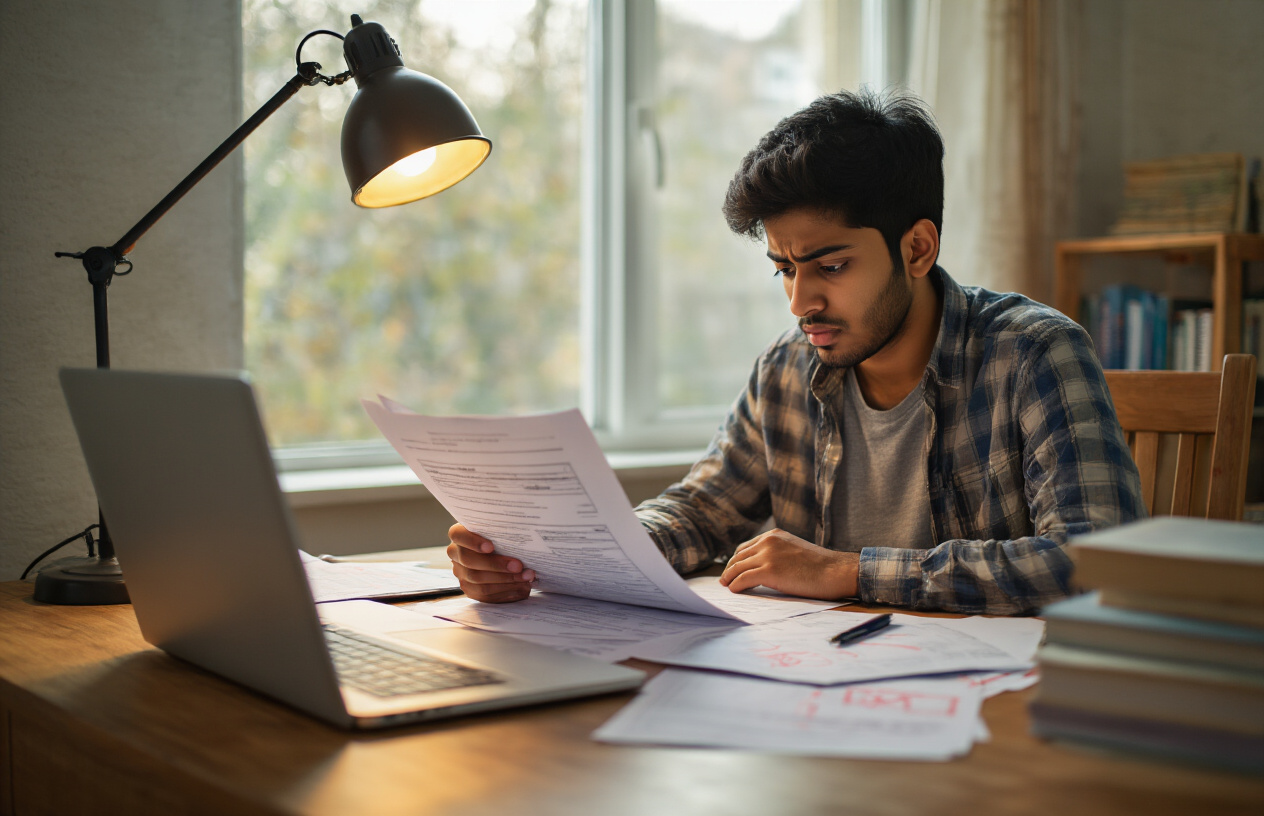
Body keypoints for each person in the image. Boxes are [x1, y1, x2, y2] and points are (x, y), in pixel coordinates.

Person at [447, 88, 1143, 615]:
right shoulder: (787, 369)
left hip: (1004, 723)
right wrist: (542, 557)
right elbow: (698, 512)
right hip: (817, 696)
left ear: (917, 248)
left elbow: (1097, 560)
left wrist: (848, 571)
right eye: (784, 267)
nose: (800, 301)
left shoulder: (1034, 355)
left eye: (830, 266)